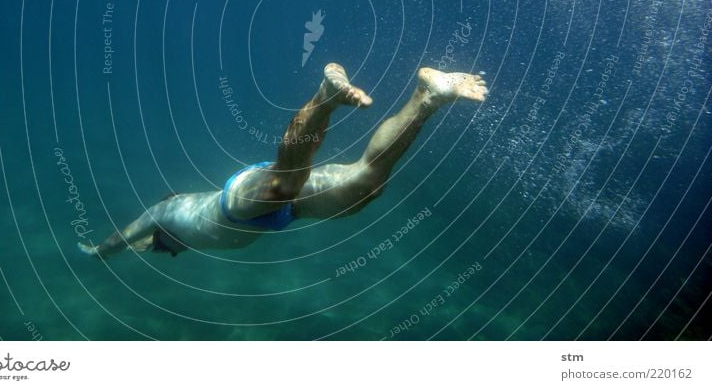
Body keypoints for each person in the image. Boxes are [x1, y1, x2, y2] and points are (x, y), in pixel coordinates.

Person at [79, 63, 487, 258]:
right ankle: (429, 96)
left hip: (234, 203)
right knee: (366, 187)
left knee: (284, 182)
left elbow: (124, 236)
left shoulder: (168, 210)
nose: (164, 250)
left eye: (162, 248)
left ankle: (324, 98)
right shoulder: (178, 231)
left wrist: (98, 252)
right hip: (283, 216)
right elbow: (137, 241)